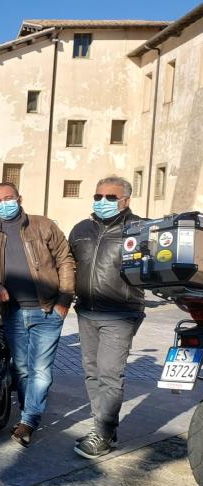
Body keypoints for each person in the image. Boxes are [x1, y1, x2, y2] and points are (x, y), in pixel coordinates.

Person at [0, 182, 74, 447]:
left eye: (9, 198)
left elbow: (65, 260)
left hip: (47, 309)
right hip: (13, 312)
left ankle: (29, 419)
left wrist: (64, 299)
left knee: (41, 370)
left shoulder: (43, 225)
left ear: (19, 197)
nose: (4, 204)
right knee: (22, 368)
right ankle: (30, 412)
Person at [69, 176, 145, 459]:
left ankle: (102, 433)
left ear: (126, 200)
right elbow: (68, 264)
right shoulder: (81, 229)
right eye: (98, 196)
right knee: (92, 373)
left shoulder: (139, 229)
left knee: (110, 374)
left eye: (110, 198)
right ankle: (102, 429)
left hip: (121, 313)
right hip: (87, 311)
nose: (102, 202)